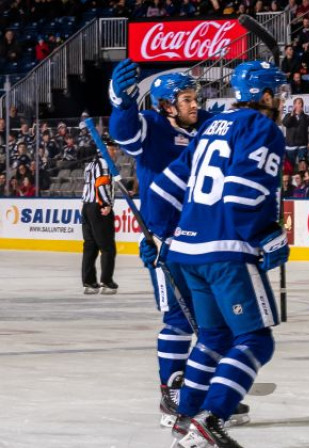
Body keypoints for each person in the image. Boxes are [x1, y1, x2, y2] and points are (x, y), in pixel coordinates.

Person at [146, 60, 289, 448]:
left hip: (186, 252)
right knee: (256, 341)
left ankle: (186, 418)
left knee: (212, 338)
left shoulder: (210, 126)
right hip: (226, 251)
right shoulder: (263, 127)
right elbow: (242, 196)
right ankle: (212, 418)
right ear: (265, 96)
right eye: (280, 93)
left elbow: (161, 192)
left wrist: (160, 235)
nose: (284, 101)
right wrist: (268, 236)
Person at [107, 60, 250, 429]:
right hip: (165, 242)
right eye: (186, 98)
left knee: (213, 321)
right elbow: (124, 133)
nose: (194, 104)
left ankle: (206, 394)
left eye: (194, 98)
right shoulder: (152, 127)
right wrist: (121, 103)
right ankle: (171, 392)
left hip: (202, 241)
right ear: (166, 105)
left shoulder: (203, 127)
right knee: (178, 320)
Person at [80, 146, 117, 294]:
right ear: (104, 150)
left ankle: (89, 282)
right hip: (98, 207)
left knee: (90, 246)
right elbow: (101, 184)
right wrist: (106, 203)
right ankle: (106, 282)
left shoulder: (90, 164)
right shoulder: (104, 163)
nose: (115, 152)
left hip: (87, 206)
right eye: (112, 149)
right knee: (107, 247)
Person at [282, 97, 309, 166]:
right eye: (298, 103)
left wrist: (308, 142)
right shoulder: (288, 115)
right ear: (294, 105)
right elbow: (285, 123)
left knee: (303, 165)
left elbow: (306, 129)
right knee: (290, 166)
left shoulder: (306, 117)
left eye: (301, 103)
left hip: (302, 145)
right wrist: (292, 115)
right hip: (291, 145)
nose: (300, 105)